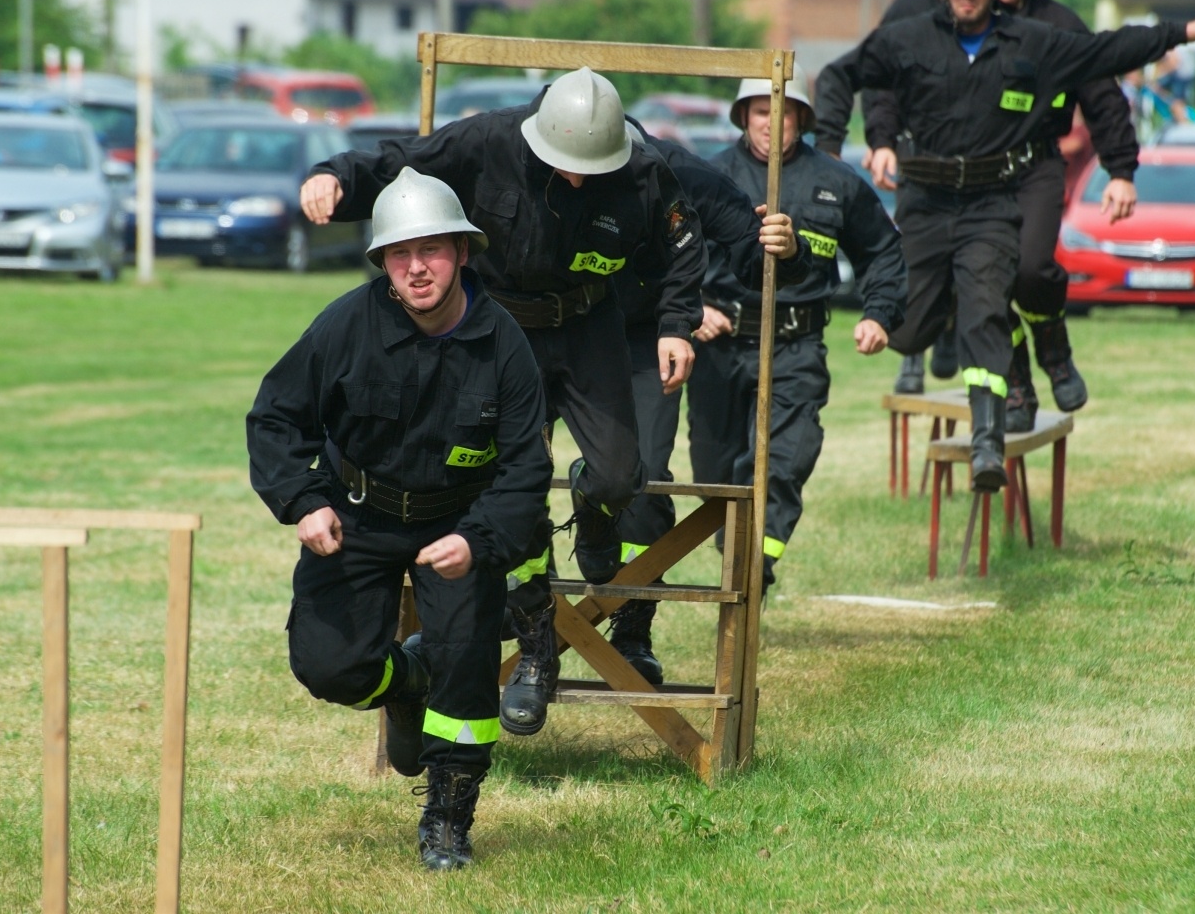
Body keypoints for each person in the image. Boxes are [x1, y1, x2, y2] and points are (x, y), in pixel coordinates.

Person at [297, 68, 778, 737]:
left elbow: (683, 243)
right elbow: (403, 165)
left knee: (620, 472)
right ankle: (536, 645)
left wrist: (675, 324)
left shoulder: (642, 170)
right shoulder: (487, 141)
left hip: (590, 329)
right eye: (565, 167)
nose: (578, 179)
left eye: (592, 169)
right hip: (502, 330)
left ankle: (592, 502)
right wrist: (336, 177)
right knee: (509, 486)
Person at [813, 0, 1195, 491]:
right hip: (926, 204)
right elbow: (840, 75)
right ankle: (951, 316)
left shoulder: (1033, 41)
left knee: (986, 308)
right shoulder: (907, 38)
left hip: (991, 203)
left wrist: (1180, 32)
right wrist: (831, 153)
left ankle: (988, 443)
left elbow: (1106, 50)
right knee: (907, 331)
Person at [247, 168, 552, 871]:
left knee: (467, 672)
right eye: (399, 253)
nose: (417, 267)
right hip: (355, 514)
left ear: (463, 253)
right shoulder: (344, 326)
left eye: (433, 250)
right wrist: (303, 500)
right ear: (382, 261)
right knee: (327, 665)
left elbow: (524, 470)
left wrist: (478, 541)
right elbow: (274, 417)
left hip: (458, 525)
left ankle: (448, 818)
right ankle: (404, 682)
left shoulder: (504, 344)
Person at [690, 66, 908, 591]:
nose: (772, 123)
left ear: (802, 119)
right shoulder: (706, 178)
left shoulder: (837, 183)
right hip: (720, 349)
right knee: (718, 475)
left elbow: (883, 252)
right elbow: (663, 255)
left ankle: (753, 569)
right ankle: (736, 549)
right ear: (744, 116)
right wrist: (692, 308)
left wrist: (879, 313)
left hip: (796, 346)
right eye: (762, 112)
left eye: (783, 112)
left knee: (784, 462)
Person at [608, 120, 805, 679]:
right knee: (509, 469)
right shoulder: (516, 154)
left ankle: (631, 622)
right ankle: (525, 615)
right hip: (549, 330)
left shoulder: (682, 174)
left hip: (649, 338)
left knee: (642, 478)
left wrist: (784, 251)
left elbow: (755, 255)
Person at [970, 0, 1144, 431]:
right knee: (981, 285)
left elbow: (1104, 97)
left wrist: (1121, 171)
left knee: (1030, 270)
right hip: (973, 178)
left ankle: (1056, 350)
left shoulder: (1061, 25)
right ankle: (1017, 389)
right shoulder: (959, 24)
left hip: (1036, 170)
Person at [814, 0, 981, 392]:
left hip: (978, 167)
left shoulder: (995, 20)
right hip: (918, 159)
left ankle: (949, 325)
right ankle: (910, 353)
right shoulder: (906, 14)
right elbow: (877, 84)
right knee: (911, 253)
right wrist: (881, 142)